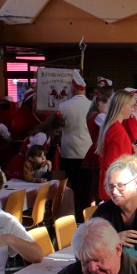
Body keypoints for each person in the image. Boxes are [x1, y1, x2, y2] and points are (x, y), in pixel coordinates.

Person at [56, 70, 93, 218]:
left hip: (69, 152)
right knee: (86, 187)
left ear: (72, 88)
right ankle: (85, 214)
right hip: (87, 151)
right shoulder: (92, 105)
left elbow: (59, 128)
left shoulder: (63, 106)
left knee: (71, 186)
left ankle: (71, 214)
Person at [96, 90, 137, 201]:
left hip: (112, 187)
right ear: (122, 107)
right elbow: (112, 164)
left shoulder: (112, 126)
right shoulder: (117, 131)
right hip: (116, 190)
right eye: (131, 106)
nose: (133, 110)